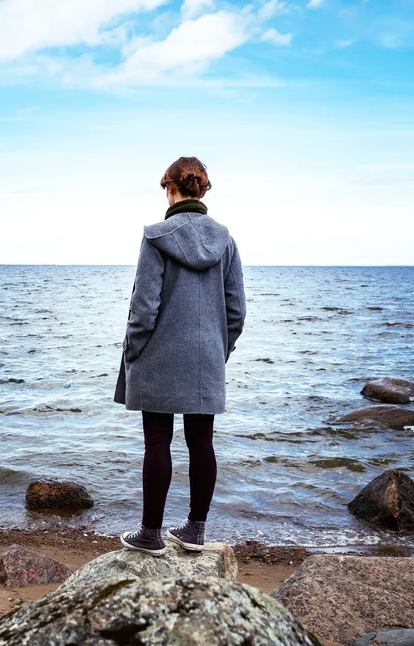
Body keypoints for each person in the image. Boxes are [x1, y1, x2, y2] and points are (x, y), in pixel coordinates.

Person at [113, 156, 246, 556]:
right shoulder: (226, 241)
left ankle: (150, 534)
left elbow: (144, 307)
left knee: (157, 442)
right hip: (206, 357)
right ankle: (195, 531)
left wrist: (133, 352)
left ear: (169, 188)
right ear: (202, 190)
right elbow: (236, 311)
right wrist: (217, 352)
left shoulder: (156, 236)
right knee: (201, 442)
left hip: (157, 355)